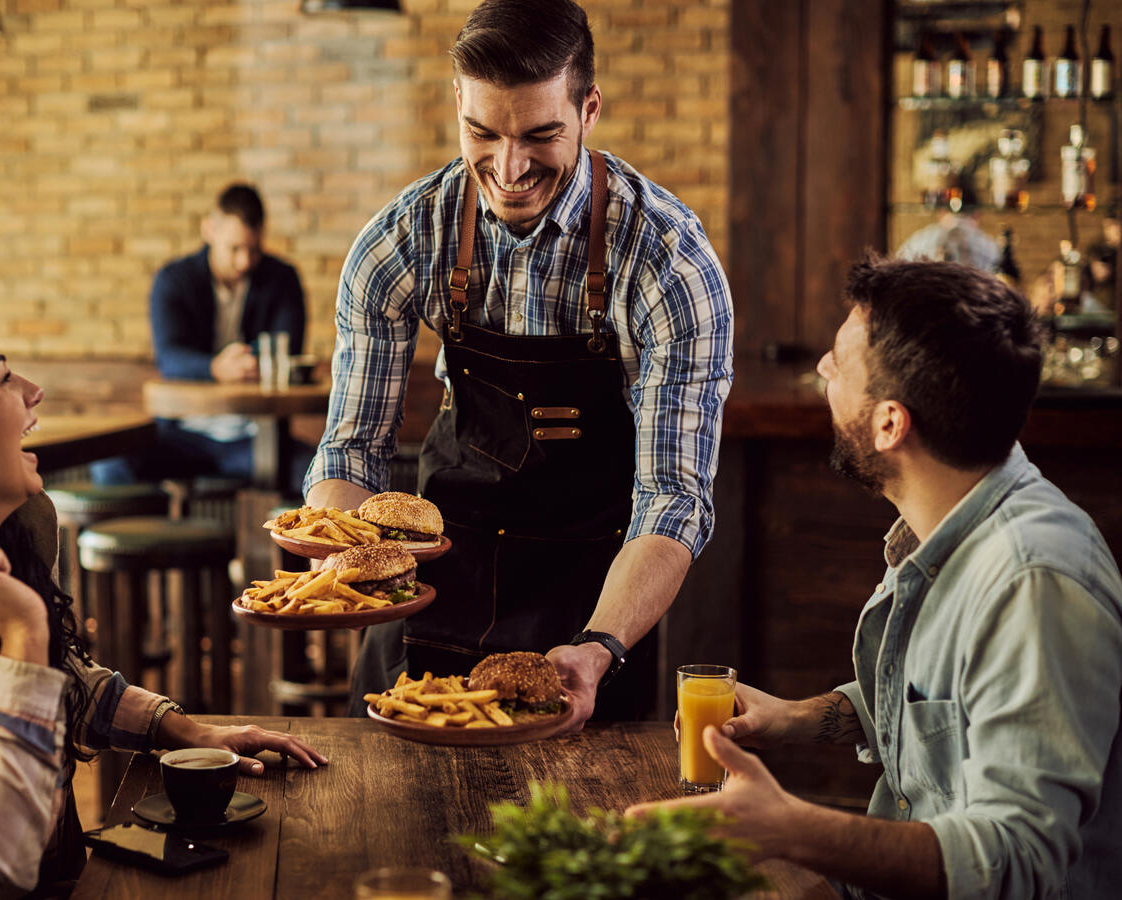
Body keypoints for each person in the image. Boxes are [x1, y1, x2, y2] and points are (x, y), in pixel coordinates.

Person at [628, 258, 1122, 900]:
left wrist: (793, 831)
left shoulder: (1033, 582)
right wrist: (801, 717)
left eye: (838, 361)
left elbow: (1019, 858)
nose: (823, 371)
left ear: (890, 423)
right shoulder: (951, 522)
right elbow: (945, 704)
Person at [304, 0, 733, 726]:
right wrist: (349, 564)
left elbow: (674, 498)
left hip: (593, 607)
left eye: (541, 135)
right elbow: (351, 451)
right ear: (458, 105)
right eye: (483, 133)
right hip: (435, 587)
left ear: (588, 109)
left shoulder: (667, 260)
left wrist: (600, 646)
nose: (508, 168)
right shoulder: (404, 240)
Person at [0, 288, 327, 899]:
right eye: (1, 378)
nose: (32, 390)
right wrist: (23, 632)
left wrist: (186, 731)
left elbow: (63, 679)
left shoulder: (24, 530)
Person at [91, 183, 315, 492]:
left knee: (318, 473)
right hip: (183, 435)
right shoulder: (174, 279)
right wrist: (215, 368)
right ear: (209, 230)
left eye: (254, 249)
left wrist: (246, 364)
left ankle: (279, 540)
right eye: (235, 248)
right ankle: (163, 538)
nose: (245, 261)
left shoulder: (282, 278)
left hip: (255, 437)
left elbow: (286, 350)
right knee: (109, 465)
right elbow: (169, 357)